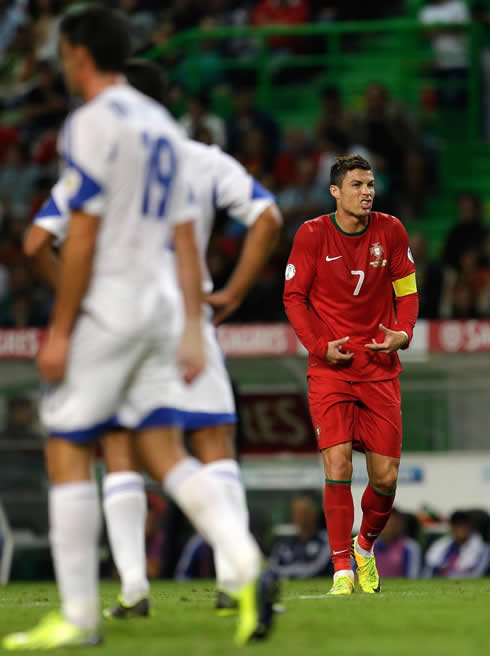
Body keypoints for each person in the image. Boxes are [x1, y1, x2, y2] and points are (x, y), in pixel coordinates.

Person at [2, 7, 268, 650]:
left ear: (78, 54)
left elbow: (80, 233)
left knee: (67, 446)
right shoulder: (163, 127)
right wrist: (188, 322)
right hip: (167, 307)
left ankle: (81, 618)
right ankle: (246, 561)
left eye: (63, 54)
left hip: (115, 305)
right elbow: (184, 235)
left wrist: (62, 327)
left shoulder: (91, 123)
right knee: (162, 447)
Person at [283, 154, 419, 595]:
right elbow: (294, 297)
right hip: (331, 370)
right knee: (337, 463)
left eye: (371, 184)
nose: (367, 192)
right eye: (357, 185)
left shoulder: (391, 230)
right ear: (336, 192)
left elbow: (408, 290)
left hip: (380, 368)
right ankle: (341, 567)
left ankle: (364, 547)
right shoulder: (311, 235)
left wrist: (403, 333)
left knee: (386, 477)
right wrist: (321, 346)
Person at [269, 496, 331, 579]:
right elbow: (273, 567)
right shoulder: (285, 545)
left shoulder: (325, 541)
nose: (302, 518)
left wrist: (288, 572)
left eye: (305, 513)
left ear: (314, 515)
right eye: (297, 513)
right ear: (293, 517)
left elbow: (317, 568)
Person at [424, 511, 490, 578]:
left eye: (463, 525)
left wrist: (448, 575)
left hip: (466, 584)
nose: (460, 529)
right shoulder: (441, 545)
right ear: (451, 527)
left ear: (469, 526)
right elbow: (430, 569)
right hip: (439, 582)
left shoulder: (483, 548)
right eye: (456, 525)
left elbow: (478, 574)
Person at [373, 508, 422, 579]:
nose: (389, 528)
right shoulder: (366, 547)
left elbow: (413, 578)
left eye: (392, 524)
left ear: (401, 525)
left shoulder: (410, 547)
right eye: (386, 524)